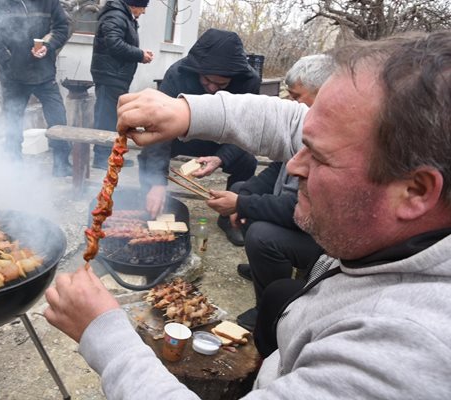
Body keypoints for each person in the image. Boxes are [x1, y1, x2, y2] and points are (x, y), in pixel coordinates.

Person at [45, 30, 451, 398]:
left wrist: (107, 338)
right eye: (303, 145)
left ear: (415, 191)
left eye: (321, 158)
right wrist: (187, 113)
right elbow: (293, 123)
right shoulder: (414, 225)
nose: (293, 165)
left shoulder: (401, 353)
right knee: (278, 295)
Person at [206, 54, 333, 330]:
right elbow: (277, 169)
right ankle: (267, 270)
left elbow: (295, 208)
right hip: (296, 218)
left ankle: (270, 310)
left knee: (263, 235)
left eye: (297, 96)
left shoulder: (331, 137)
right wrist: (244, 196)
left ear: (324, 93)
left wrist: (242, 204)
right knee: (243, 188)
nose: (291, 104)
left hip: (321, 239)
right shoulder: (304, 125)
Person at [138, 29, 261, 245]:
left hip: (220, 138)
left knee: (247, 161)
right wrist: (158, 181)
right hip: (179, 134)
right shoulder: (178, 73)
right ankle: (152, 204)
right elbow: (158, 126)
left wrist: (221, 158)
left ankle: (228, 218)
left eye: (221, 84)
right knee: (149, 153)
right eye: (207, 81)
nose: (213, 89)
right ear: (197, 71)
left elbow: (246, 129)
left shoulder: (248, 81)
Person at [0, 0, 72, 176]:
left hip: (44, 74)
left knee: (58, 117)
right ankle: (14, 165)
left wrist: (48, 46)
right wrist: (7, 60)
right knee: (13, 122)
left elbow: (62, 27)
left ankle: (61, 163)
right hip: (12, 76)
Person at [90, 0, 153, 169]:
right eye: (143, 7)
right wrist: (139, 54)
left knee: (112, 116)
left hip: (116, 74)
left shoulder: (123, 15)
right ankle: (101, 158)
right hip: (110, 74)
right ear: (134, 4)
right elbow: (114, 44)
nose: (144, 11)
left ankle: (111, 157)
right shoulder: (115, 15)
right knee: (106, 116)